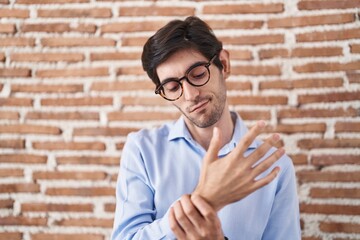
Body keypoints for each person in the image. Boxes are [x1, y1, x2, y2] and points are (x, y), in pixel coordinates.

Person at [111, 16, 301, 240]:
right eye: (173, 87)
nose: (191, 95)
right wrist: (206, 199)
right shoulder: (143, 150)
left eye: (198, 74)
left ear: (225, 64)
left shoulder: (274, 167)